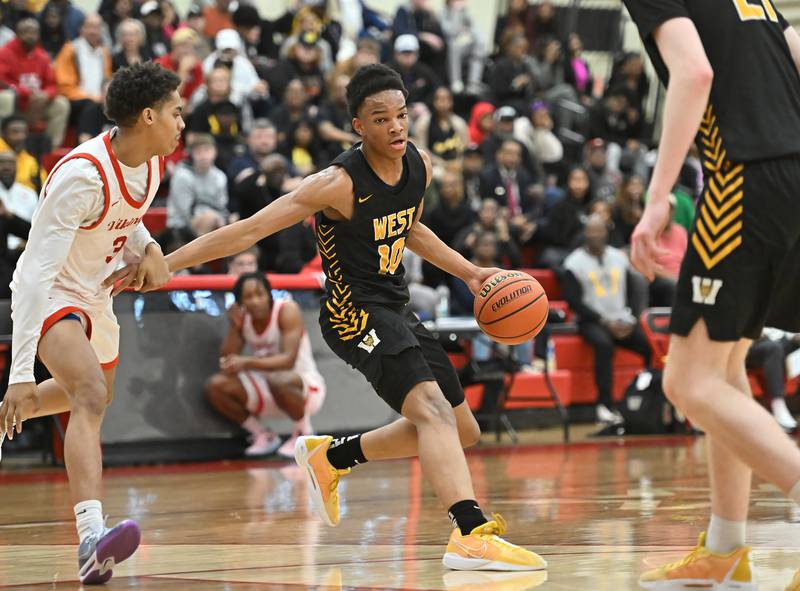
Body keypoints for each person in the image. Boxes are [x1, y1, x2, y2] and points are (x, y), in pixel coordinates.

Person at [143, 63, 546, 571]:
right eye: (381, 119)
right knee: (433, 413)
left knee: (460, 429)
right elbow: (248, 231)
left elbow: (410, 228)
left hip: (395, 305)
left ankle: (331, 458)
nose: (396, 127)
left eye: (401, 115)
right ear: (358, 125)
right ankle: (469, 534)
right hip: (353, 312)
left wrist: (469, 273)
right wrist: (169, 262)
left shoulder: (414, 162)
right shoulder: (335, 183)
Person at [623, 1, 800, 588]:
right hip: (790, 171)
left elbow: (694, 73)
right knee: (722, 369)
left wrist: (656, 200)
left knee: (686, 381)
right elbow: (793, 50)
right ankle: (725, 548)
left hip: (744, 177)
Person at [0, 62, 180, 583]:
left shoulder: (149, 163)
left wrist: (149, 246)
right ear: (148, 116)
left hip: (96, 295)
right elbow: (33, 274)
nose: (181, 123)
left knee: (95, 392)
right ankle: (90, 540)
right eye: (176, 112)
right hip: (53, 290)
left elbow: (132, 216)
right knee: (90, 397)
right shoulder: (81, 176)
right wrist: (18, 373)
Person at [206, 273, 326, 458]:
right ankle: (262, 435)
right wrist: (235, 327)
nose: (255, 301)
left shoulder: (287, 310)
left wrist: (247, 362)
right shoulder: (243, 318)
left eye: (259, 294)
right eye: (248, 297)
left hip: (303, 388)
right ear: (240, 301)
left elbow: (288, 361)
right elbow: (226, 361)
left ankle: (305, 434)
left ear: (269, 295)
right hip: (267, 388)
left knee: (278, 378)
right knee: (216, 385)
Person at [562, 214, 652, 424]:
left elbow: (633, 290)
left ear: (606, 232)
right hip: (591, 321)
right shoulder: (573, 263)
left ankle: (648, 397)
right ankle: (604, 405)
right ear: (585, 233)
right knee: (604, 346)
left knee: (650, 347)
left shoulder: (619, 257)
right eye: (591, 231)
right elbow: (574, 302)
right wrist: (604, 321)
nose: (595, 235)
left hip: (622, 319)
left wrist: (632, 318)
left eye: (599, 230)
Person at [0, 17, 71, 148]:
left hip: (37, 104)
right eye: (26, 32)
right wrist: (26, 93)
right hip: (16, 103)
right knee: (5, 98)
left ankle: (50, 148)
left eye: (34, 32)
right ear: (17, 34)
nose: (30, 36)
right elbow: (2, 81)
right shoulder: (4, 52)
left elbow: (52, 84)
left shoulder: (42, 56)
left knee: (61, 104)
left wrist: (45, 95)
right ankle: (3, 146)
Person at [166, 133, 229, 236]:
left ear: (215, 152)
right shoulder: (182, 176)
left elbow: (221, 207)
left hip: (214, 224)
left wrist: (218, 218)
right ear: (192, 154)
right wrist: (210, 217)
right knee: (209, 220)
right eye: (199, 151)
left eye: (207, 150)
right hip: (180, 228)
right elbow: (187, 213)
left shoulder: (220, 176)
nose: (203, 156)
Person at [745, 328, 799, 432]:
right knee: (774, 348)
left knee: (783, 346)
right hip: (755, 343)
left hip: (781, 339)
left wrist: (794, 336)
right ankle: (778, 406)